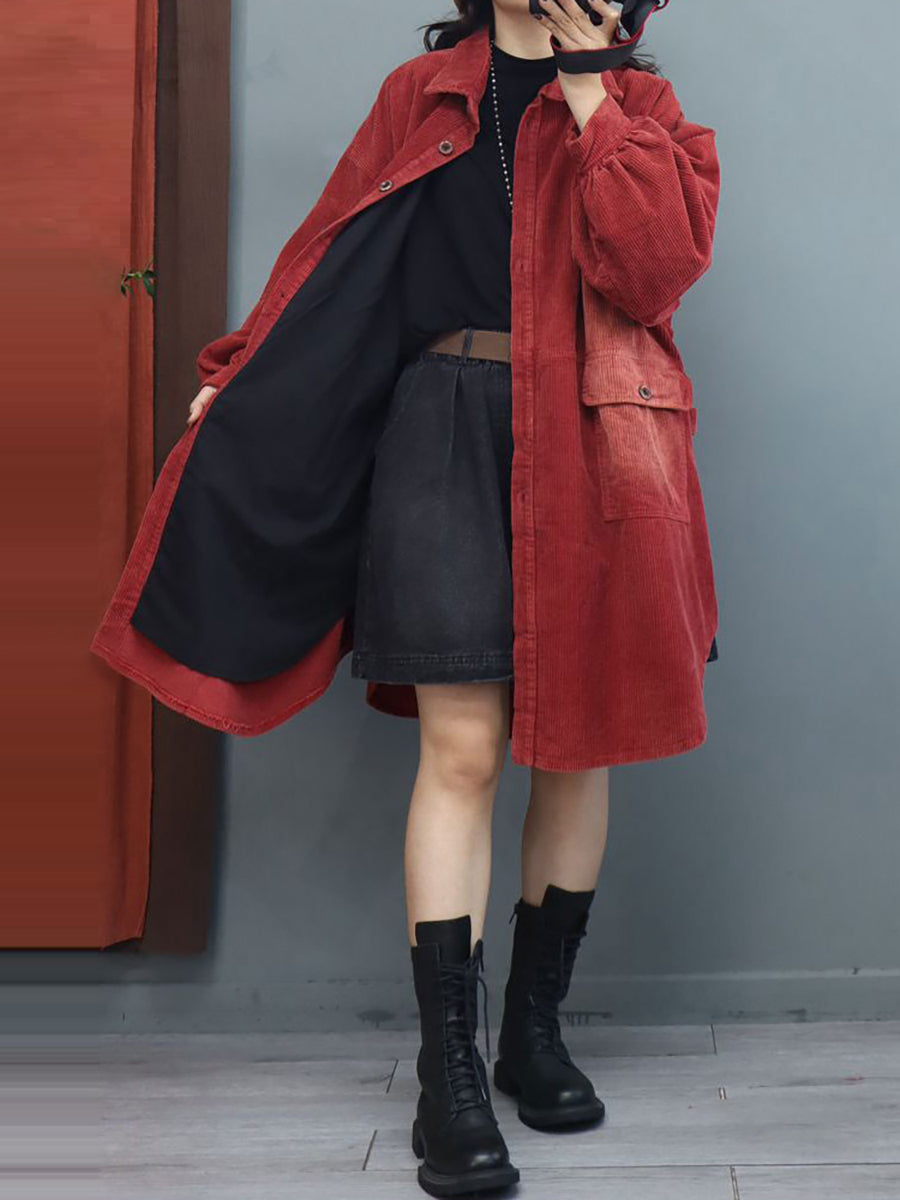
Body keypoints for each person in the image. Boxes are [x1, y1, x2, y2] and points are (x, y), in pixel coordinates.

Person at [95, 2, 720, 1196]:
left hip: (599, 434)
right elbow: (330, 251)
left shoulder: (645, 106)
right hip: (441, 426)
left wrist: (592, 90)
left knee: (579, 746)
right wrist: (244, 370)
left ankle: (533, 1033)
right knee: (463, 750)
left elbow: (652, 274)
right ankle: (450, 1073)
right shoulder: (420, 92)